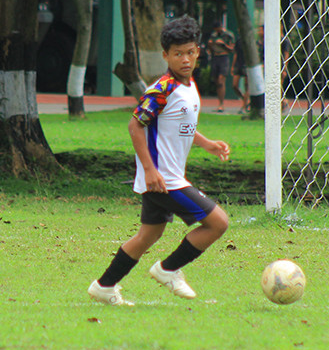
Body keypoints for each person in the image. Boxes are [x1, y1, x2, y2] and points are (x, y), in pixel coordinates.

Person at [88, 16, 231, 306]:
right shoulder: (162, 89)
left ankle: (104, 286)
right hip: (164, 178)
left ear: (198, 52)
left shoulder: (188, 85)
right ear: (165, 55)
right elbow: (135, 125)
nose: (185, 59)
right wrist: (150, 170)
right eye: (178, 54)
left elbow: (178, 126)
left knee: (148, 235)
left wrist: (207, 144)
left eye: (190, 52)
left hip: (164, 176)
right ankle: (168, 269)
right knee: (218, 223)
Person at [206, 25, 235, 112]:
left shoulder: (228, 35)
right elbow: (210, 49)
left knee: (221, 80)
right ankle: (219, 103)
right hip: (215, 57)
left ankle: (221, 104)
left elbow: (232, 49)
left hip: (224, 57)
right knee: (217, 81)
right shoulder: (213, 35)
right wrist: (210, 45)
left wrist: (223, 44)